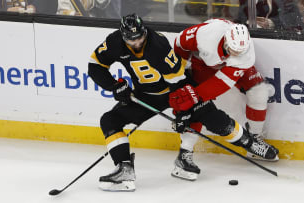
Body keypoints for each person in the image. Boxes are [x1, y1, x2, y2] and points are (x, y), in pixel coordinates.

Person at [88, 13, 278, 192]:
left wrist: (184, 110)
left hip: (173, 91)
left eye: (140, 37)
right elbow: (95, 65)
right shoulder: (114, 43)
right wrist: (113, 85)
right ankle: (124, 169)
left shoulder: (158, 45)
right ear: (123, 37)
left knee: (214, 117)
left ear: (144, 32)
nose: (137, 43)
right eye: (132, 39)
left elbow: (178, 81)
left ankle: (248, 142)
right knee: (110, 120)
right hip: (145, 96)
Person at [171, 18, 279, 161]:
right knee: (194, 105)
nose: (236, 53)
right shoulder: (206, 34)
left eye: (239, 51)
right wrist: (180, 71)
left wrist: (196, 94)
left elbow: (221, 83)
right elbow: (180, 42)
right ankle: (185, 151)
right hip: (202, 63)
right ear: (226, 40)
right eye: (233, 50)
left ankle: (254, 139)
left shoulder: (245, 55)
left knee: (259, 92)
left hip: (229, 68)